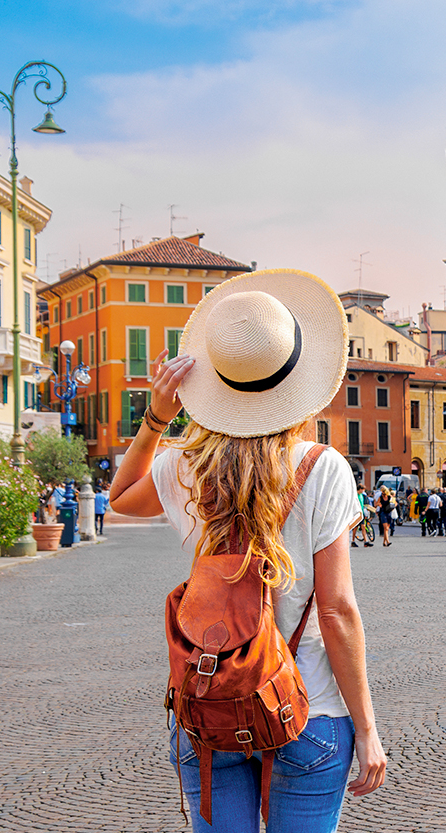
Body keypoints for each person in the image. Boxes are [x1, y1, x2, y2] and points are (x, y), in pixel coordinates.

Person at [106, 270, 386, 827]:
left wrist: (158, 415)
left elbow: (119, 498)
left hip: (210, 704)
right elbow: (335, 610)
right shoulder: (321, 466)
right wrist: (369, 729)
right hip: (308, 710)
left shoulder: (187, 465)